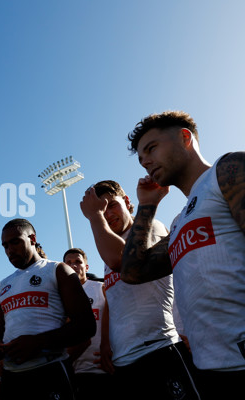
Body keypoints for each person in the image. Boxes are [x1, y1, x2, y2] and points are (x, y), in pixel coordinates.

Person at [121, 110, 245, 398]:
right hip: (211, 369)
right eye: (140, 159)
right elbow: (132, 272)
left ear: (185, 138)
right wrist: (147, 206)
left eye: (151, 149)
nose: (146, 162)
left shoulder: (227, 171)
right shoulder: (178, 224)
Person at [80, 180, 200, 399]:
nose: (107, 214)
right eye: (101, 210)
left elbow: (121, 261)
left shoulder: (148, 226)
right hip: (125, 358)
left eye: (111, 205)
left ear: (127, 202)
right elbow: (113, 299)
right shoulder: (111, 242)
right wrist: (107, 343)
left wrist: (94, 216)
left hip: (159, 348)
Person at [0, 219, 96, 400]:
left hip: (51, 372)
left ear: (32, 238)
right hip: (12, 378)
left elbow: (86, 326)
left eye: (15, 242)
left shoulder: (59, 270)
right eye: (5, 246)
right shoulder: (3, 285)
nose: (9, 250)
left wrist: (38, 342)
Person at [62, 248, 114, 400]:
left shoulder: (101, 288)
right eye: (69, 263)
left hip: (102, 368)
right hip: (73, 372)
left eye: (78, 262)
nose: (73, 265)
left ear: (86, 266)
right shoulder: (59, 296)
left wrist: (107, 345)